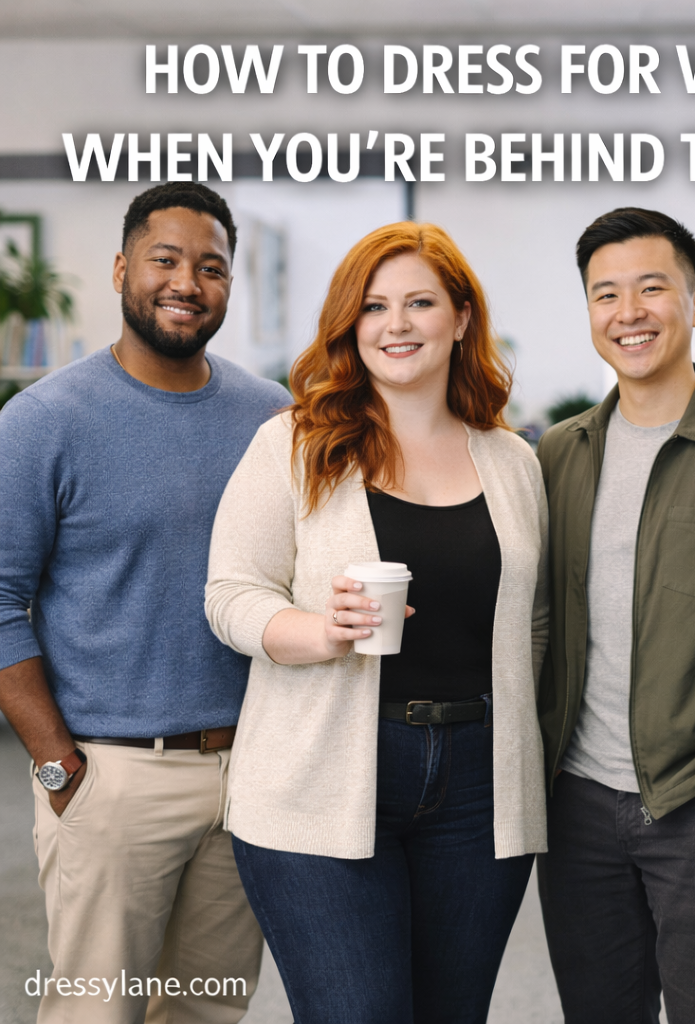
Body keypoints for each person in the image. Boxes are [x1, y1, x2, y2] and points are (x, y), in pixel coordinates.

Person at [204, 221, 548, 1024]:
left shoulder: (512, 460)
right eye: (374, 306)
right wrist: (320, 632)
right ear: (350, 325)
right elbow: (231, 594)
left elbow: (530, 628)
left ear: (461, 318)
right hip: (319, 773)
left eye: (420, 302)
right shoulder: (294, 445)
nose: (396, 325)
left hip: (478, 788)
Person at [0, 182, 288, 1023]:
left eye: (212, 267)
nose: (187, 282)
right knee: (97, 1013)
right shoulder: (43, 420)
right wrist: (58, 767)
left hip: (249, 777)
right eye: (165, 260)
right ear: (123, 268)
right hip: (110, 772)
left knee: (206, 1012)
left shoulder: (273, 417)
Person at [535, 207, 695, 1024]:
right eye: (606, 295)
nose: (628, 313)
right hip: (575, 802)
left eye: (652, 288)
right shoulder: (558, 454)